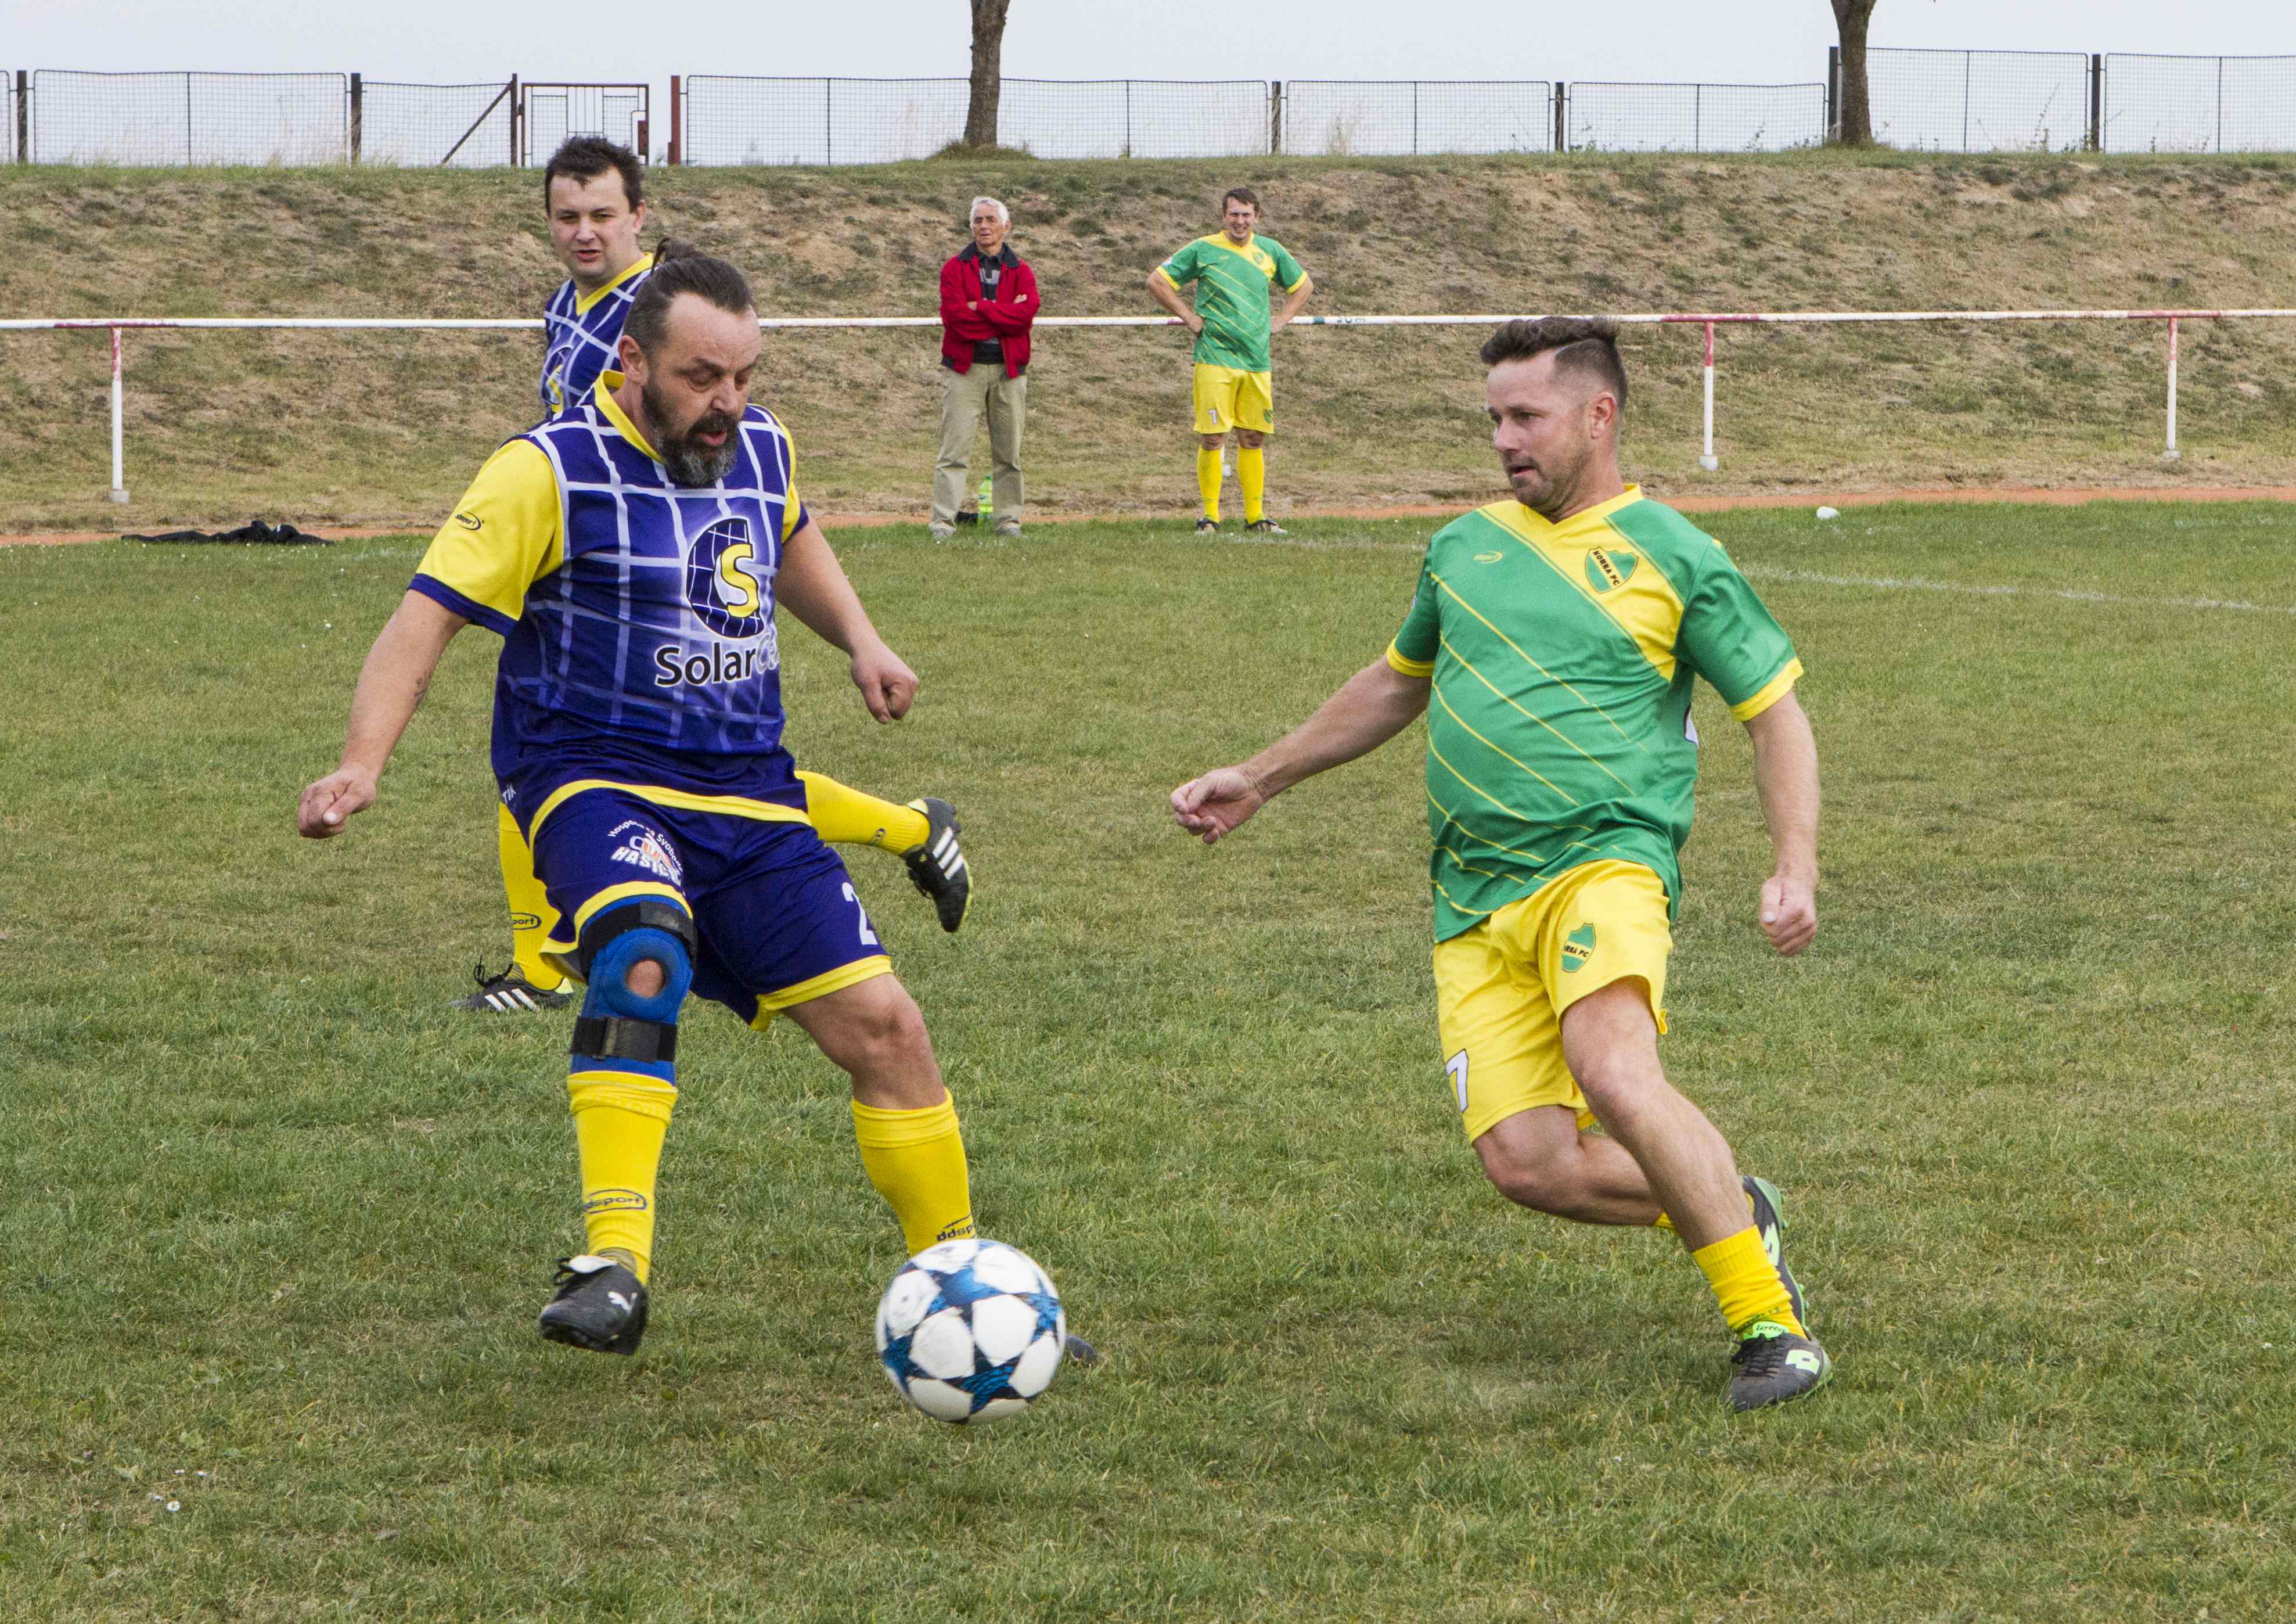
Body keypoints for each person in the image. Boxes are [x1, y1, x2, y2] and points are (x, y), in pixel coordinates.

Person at [298, 255, 1095, 1366]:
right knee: (642, 946)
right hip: (591, 776)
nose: (728, 401)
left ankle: (962, 1289)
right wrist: (361, 762)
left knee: (888, 1032)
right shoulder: (545, 472)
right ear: (630, 362)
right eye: (701, 376)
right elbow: (424, 616)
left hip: (747, 792)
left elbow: (789, 535)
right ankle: (613, 1265)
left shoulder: (758, 446)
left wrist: (860, 640)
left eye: (744, 375)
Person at [1169, 317, 1830, 1411]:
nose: (1502, 441)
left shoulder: (1671, 552)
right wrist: (1261, 775)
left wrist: (1791, 865)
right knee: (1528, 1163)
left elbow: (1774, 715)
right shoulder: (1462, 547)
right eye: (1492, 419)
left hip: (1604, 860)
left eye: (1525, 417)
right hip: (1472, 891)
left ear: (1597, 416)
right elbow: (1395, 682)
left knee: (1614, 1072)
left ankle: (1767, 1323)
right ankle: (1727, 1200)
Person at [457, 136, 972, 1017]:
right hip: (587, 573)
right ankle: (915, 830)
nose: (583, 233)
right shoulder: (567, 306)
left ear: (639, 217)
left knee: (686, 769)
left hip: (673, 577)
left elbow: (769, 497)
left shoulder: (664, 310)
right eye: (565, 217)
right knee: (611, 765)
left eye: (602, 216)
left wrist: (861, 639)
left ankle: (543, 967)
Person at [1146, 186, 1313, 536]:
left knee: (1253, 437)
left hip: (1256, 360)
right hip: (1215, 359)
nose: (1240, 221)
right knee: (1214, 437)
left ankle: (1256, 517)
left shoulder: (1270, 251)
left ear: (1257, 217)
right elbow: (1158, 281)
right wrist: (1189, 317)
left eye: (1246, 214)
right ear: (1224, 216)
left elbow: (1303, 286)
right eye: (1234, 214)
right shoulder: (1203, 248)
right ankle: (1209, 517)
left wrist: (1282, 319)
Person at [931, 196, 1037, 541]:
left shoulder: (1022, 271)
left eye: (991, 219)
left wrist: (983, 307)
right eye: (978, 220)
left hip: (1009, 373)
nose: (984, 226)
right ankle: (942, 524)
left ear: (1006, 227)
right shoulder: (953, 269)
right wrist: (1003, 313)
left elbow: (1024, 320)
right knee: (954, 452)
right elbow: (958, 321)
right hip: (965, 372)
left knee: (1009, 453)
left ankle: (1009, 521)